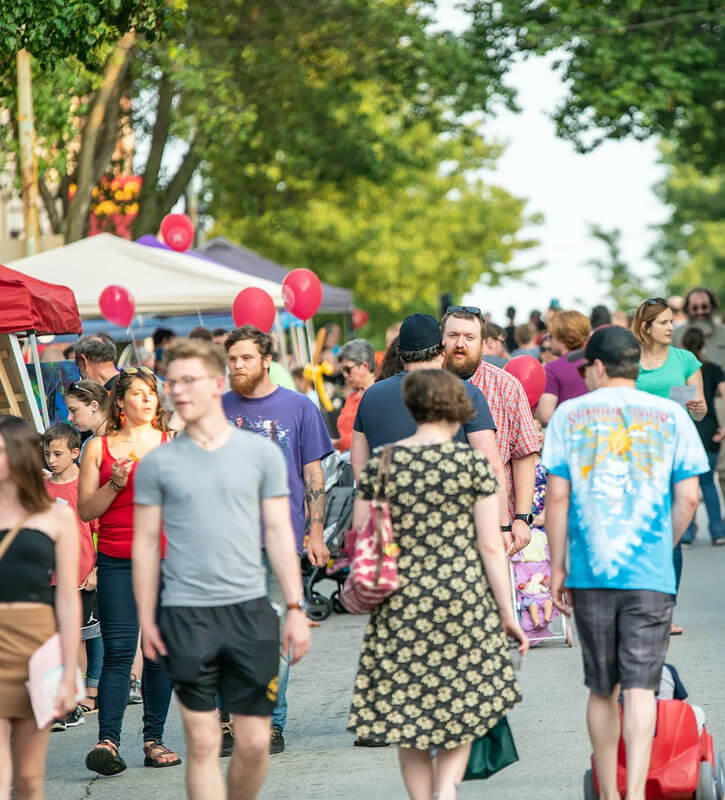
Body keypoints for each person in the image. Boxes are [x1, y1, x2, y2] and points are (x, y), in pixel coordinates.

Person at [133, 338, 311, 800]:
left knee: (253, 744)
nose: (179, 391)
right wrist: (147, 618)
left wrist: (294, 606)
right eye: (173, 383)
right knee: (205, 740)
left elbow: (278, 533)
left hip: (250, 612)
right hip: (186, 614)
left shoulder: (260, 456)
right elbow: (147, 544)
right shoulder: (159, 464)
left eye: (189, 380)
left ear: (216, 383)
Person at [543, 325, 706, 800]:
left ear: (596, 367)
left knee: (601, 688)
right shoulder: (670, 415)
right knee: (640, 687)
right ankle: (635, 793)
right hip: (650, 573)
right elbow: (690, 497)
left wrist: (557, 567)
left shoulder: (570, 416)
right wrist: (663, 543)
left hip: (591, 572)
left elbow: (557, 498)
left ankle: (610, 795)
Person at [348, 370, 527, 800]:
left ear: (412, 407)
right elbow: (489, 545)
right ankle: (446, 791)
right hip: (464, 600)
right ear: (457, 408)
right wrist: (507, 612)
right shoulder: (471, 465)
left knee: (408, 715)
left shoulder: (383, 463)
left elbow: (362, 532)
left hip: (400, 603)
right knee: (462, 706)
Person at [223, 326, 332, 754]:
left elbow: (313, 474)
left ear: (267, 359)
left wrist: (317, 531)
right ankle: (230, 723)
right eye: (232, 360)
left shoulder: (299, 407)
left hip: (280, 539)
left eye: (245, 358)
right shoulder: (218, 408)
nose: (237, 366)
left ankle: (271, 721)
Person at [79, 367, 180, 775]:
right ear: (119, 402)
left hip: (166, 559)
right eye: (137, 393)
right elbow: (86, 510)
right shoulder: (97, 448)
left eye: (151, 393)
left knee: (159, 652)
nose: (146, 399)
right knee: (120, 652)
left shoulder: (172, 443)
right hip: (118, 560)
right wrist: (115, 485)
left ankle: (154, 740)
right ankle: (108, 742)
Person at [352, 313, 509, 551]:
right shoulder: (466, 393)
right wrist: (503, 525)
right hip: (454, 534)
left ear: (400, 352)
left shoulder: (371, 396)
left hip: (390, 535)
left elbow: (359, 462)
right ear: (442, 348)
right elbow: (492, 466)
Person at [0, 415, 80, 799]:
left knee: (29, 780)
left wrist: (68, 675)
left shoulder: (56, 514)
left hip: (36, 644)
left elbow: (67, 597)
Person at [446, 308, 540, 554]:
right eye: (453, 335)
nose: (460, 344)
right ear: (441, 340)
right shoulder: (424, 386)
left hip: (497, 525)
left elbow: (524, 455)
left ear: (483, 345)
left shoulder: (506, 387)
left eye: (469, 337)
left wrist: (521, 517)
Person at [42, 423, 99, 730]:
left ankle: (76, 700)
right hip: (47, 576)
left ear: (76, 453)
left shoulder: (84, 487)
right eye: (47, 453)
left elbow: (99, 530)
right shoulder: (43, 488)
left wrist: (96, 569)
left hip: (78, 576)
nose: (51, 459)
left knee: (74, 638)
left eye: (58, 453)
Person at [680, 327, 725, 545]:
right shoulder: (714, 369)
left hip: (689, 431)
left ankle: (687, 534)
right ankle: (718, 532)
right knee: (708, 484)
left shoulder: (680, 370)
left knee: (686, 485)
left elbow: (680, 404)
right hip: (710, 432)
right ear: (705, 344)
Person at [632, 298, 706, 421]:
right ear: (645, 327)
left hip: (675, 436)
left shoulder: (686, 359)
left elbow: (699, 415)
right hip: (639, 436)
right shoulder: (628, 360)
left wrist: (698, 409)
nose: (671, 327)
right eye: (663, 323)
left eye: (671, 322)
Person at [536, 310, 591, 426]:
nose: (549, 340)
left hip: (568, 434)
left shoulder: (552, 369)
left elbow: (546, 416)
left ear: (561, 337)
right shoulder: (597, 364)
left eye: (551, 335)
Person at [334, 339, 376, 452]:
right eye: (343, 371)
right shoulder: (351, 396)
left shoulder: (377, 395)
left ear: (365, 366)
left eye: (348, 369)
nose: (345, 375)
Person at [672, 288, 725, 369]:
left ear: (712, 307)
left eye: (704, 307)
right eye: (694, 308)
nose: (700, 312)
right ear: (687, 309)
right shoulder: (675, 335)